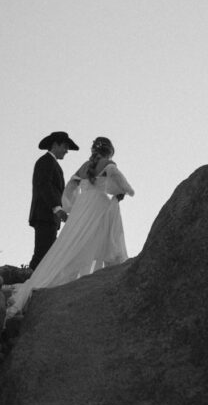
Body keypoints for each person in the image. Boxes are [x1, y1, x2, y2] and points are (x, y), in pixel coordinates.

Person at [10, 136, 134, 317]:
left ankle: (45, 277)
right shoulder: (109, 164)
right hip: (97, 205)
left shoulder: (84, 166)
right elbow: (121, 183)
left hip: (82, 207)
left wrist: (71, 205)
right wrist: (125, 192)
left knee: (69, 243)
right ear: (108, 151)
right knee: (95, 240)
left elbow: (70, 187)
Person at [28, 130, 80, 270]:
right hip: (45, 215)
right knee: (43, 254)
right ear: (56, 145)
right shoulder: (45, 161)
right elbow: (44, 185)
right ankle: (27, 280)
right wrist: (57, 209)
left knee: (47, 252)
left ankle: (30, 278)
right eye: (65, 147)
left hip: (48, 216)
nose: (66, 151)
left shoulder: (52, 163)